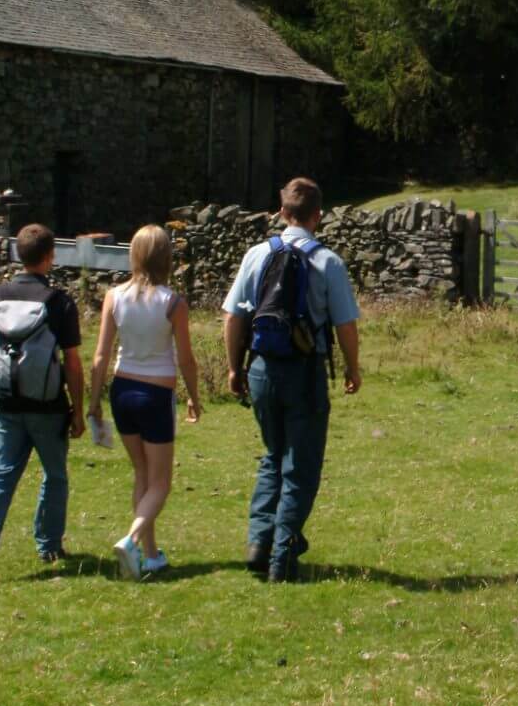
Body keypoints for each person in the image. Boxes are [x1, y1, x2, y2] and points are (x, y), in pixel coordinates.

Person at [223, 178, 363, 583]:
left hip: (262, 366)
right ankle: (282, 557)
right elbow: (345, 325)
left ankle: (258, 542)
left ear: (282, 212)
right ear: (318, 215)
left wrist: (235, 368)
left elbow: (233, 317)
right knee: (300, 464)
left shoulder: (257, 255)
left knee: (272, 453)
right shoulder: (327, 262)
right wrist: (353, 368)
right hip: (304, 370)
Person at [0, 224, 85, 585]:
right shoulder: (59, 303)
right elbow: (72, 362)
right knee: (55, 474)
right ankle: (48, 545)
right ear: (50, 257)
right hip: (47, 407)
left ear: (18, 255)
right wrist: (77, 409)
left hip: (3, 405)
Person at [88, 225, 204, 581]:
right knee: (162, 483)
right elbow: (185, 358)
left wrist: (93, 403)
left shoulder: (114, 296)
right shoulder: (173, 303)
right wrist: (194, 398)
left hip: (122, 391)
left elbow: (101, 354)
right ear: (166, 258)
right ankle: (132, 539)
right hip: (156, 395)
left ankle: (151, 556)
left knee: (142, 474)